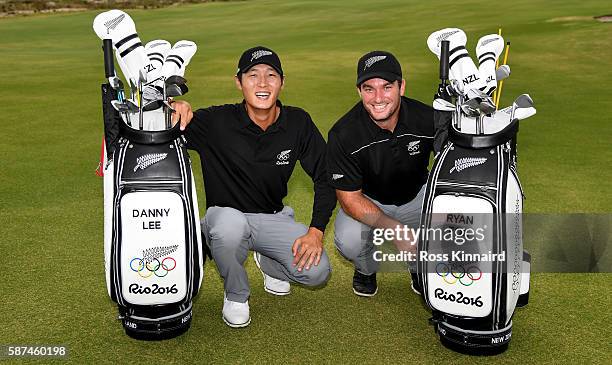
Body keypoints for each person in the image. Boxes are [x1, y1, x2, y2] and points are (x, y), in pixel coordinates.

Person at [171, 46, 335, 327]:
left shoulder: (298, 122)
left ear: (282, 82)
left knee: (317, 272)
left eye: (271, 75)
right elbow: (167, 125)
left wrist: (316, 231)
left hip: (271, 217)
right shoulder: (215, 121)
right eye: (253, 75)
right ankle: (236, 295)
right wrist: (176, 107)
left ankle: (269, 262)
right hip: (224, 218)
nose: (262, 83)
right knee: (230, 227)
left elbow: (326, 176)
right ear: (239, 82)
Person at [326, 51, 440, 297]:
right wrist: (396, 230)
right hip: (368, 199)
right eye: (369, 89)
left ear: (401, 86)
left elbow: (451, 165)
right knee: (350, 241)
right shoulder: (343, 134)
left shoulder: (428, 118)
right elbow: (349, 199)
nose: (378, 98)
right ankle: (366, 269)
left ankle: (418, 266)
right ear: (359, 91)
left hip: (418, 195)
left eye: (387, 87)